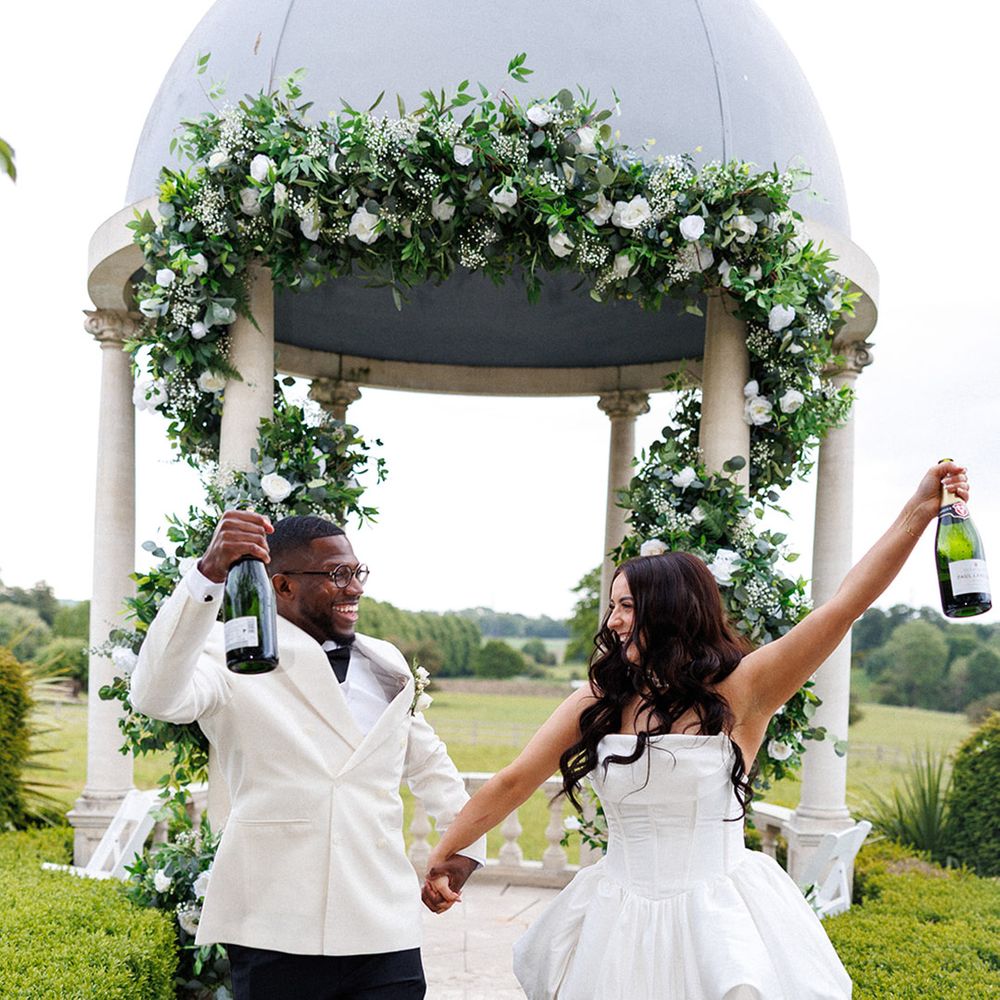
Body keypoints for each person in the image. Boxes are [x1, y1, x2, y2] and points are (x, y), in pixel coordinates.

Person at [422, 462, 970, 999]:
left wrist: (920, 511)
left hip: (718, 921)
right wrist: (446, 852)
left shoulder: (744, 690)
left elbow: (845, 606)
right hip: (616, 924)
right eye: (612, 606)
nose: (612, 622)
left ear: (670, 611)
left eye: (627, 606)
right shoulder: (599, 700)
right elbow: (514, 780)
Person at [130, 511, 486, 1000]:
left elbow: (428, 764)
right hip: (274, 926)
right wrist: (208, 574)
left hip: (385, 924)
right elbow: (155, 696)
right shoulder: (227, 653)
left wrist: (465, 847)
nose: (355, 588)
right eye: (337, 574)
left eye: (357, 572)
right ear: (283, 585)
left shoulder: (385, 660)